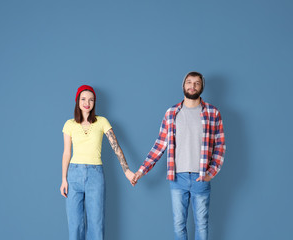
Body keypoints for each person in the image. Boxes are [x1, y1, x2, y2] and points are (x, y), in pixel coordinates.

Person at [132, 72, 226, 240]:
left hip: (201, 176)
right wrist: (141, 170)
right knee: (178, 225)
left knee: (202, 224)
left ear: (202, 87)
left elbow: (220, 146)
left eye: (197, 83)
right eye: (189, 82)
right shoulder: (172, 113)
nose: (192, 86)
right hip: (177, 178)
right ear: (183, 86)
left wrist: (210, 173)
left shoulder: (213, 113)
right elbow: (160, 145)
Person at [60, 85, 135, 240]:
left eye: (91, 99)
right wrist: (63, 179)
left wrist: (126, 171)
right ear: (77, 101)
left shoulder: (102, 122)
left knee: (96, 224)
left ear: (95, 102)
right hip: (73, 175)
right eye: (83, 99)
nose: (87, 102)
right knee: (75, 225)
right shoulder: (69, 124)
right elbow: (66, 153)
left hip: (95, 175)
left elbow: (116, 147)